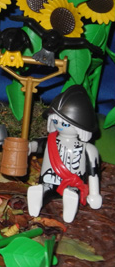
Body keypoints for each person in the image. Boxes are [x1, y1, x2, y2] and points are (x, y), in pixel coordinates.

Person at [27, 85, 101, 223]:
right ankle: (38, 197)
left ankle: (69, 203)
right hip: (49, 179)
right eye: (55, 121)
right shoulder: (50, 141)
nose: (59, 126)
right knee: (45, 189)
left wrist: (94, 194)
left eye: (65, 124)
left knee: (71, 192)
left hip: (73, 182)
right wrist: (29, 147)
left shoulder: (88, 149)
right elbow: (38, 145)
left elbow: (93, 173)